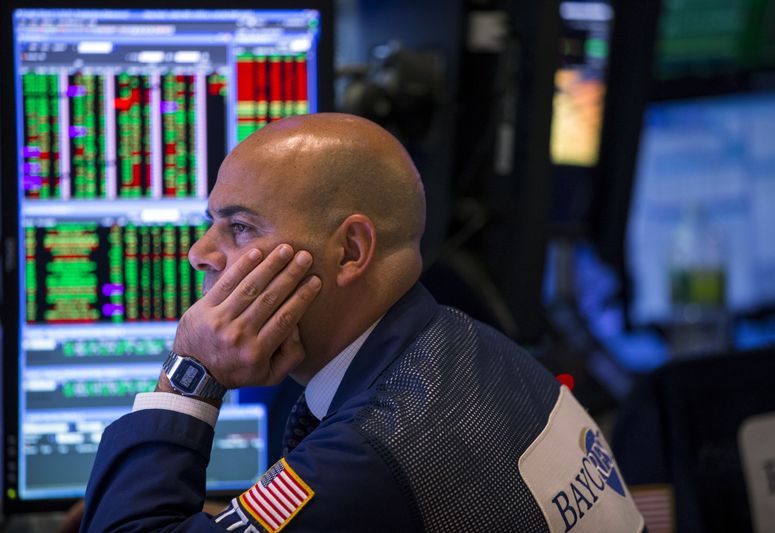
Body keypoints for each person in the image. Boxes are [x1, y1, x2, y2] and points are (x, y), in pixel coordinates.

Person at [81, 113, 644, 532]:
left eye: (241, 228)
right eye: (211, 223)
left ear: (350, 250)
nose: (200, 253)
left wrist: (193, 370)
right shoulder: (472, 348)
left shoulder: (374, 450)